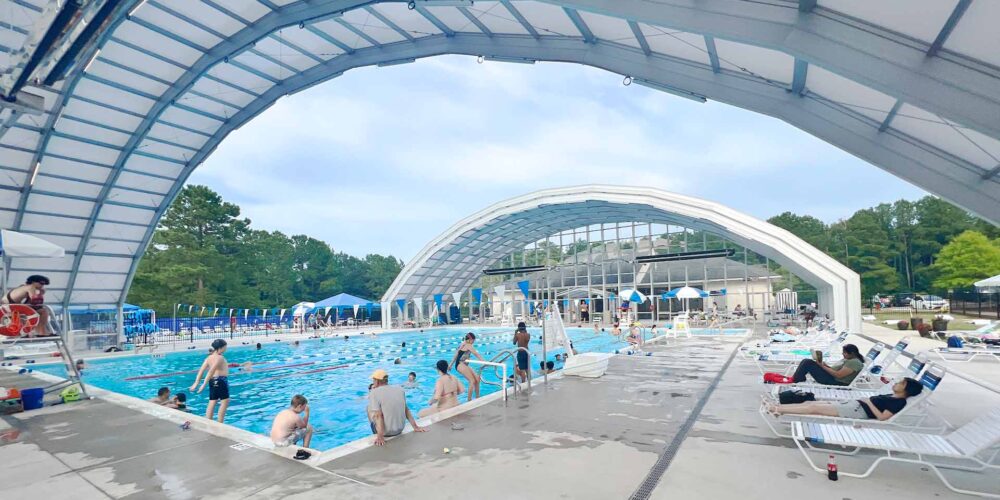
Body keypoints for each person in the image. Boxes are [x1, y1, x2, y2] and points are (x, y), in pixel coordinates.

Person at [766, 378, 923, 420]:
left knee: (813, 409)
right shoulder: (892, 396)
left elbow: (882, 418)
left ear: (907, 390)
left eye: (901, 383)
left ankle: (775, 409)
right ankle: (778, 409)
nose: (897, 383)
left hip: (856, 410)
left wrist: (868, 402)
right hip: (854, 405)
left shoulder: (899, 402)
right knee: (810, 403)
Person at [368, 369, 426, 446]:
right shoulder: (400, 389)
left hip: (386, 433)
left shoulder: (374, 393)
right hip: (400, 429)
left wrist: (380, 437)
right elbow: (406, 410)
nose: (373, 382)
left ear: (377, 381)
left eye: (373, 380)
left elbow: (379, 416)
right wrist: (415, 427)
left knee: (369, 408)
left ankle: (377, 433)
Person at [192, 339, 230, 423]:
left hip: (213, 381)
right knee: (224, 402)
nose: (226, 349)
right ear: (221, 347)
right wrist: (203, 385)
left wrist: (197, 382)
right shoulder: (220, 358)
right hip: (221, 380)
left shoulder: (209, 357)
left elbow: (201, 370)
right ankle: (220, 423)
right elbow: (211, 371)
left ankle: (208, 422)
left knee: (212, 401)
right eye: (225, 347)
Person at [791, 344, 864, 386]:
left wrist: (822, 366)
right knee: (807, 362)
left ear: (852, 353)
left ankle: (796, 380)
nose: (842, 354)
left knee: (807, 362)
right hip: (831, 377)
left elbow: (839, 375)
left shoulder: (854, 362)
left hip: (836, 382)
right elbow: (836, 370)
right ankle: (797, 379)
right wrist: (825, 366)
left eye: (844, 353)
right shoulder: (849, 359)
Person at [451, 332, 484, 400]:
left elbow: (455, 356)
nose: (473, 342)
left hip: (461, 364)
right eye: (473, 341)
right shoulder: (468, 345)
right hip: (460, 364)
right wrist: (484, 362)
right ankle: (469, 400)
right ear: (470, 339)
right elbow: (476, 354)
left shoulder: (462, 344)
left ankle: (477, 397)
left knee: (477, 379)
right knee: (472, 380)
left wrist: (450, 365)